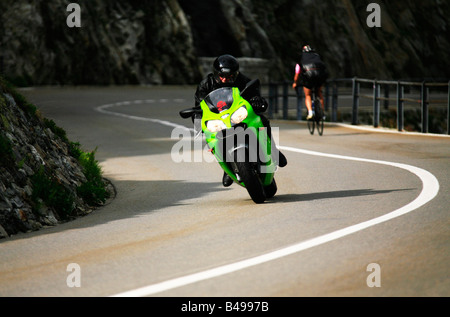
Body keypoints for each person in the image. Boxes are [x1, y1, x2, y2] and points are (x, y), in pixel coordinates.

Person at [194, 54, 287, 187]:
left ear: (236, 74)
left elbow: (256, 96)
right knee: (211, 140)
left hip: (238, 115)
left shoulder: (243, 80)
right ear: (215, 74)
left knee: (263, 120)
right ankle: (227, 169)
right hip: (218, 119)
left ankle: (272, 149)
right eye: (222, 76)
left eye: (230, 76)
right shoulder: (205, 85)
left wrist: (257, 101)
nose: (225, 79)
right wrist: (198, 125)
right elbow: (198, 107)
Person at [292, 45, 328, 120]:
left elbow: (297, 74)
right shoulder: (317, 57)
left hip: (309, 77)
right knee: (319, 93)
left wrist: (295, 83)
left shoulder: (301, 59)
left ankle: (310, 112)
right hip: (320, 76)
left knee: (308, 95)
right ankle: (322, 113)